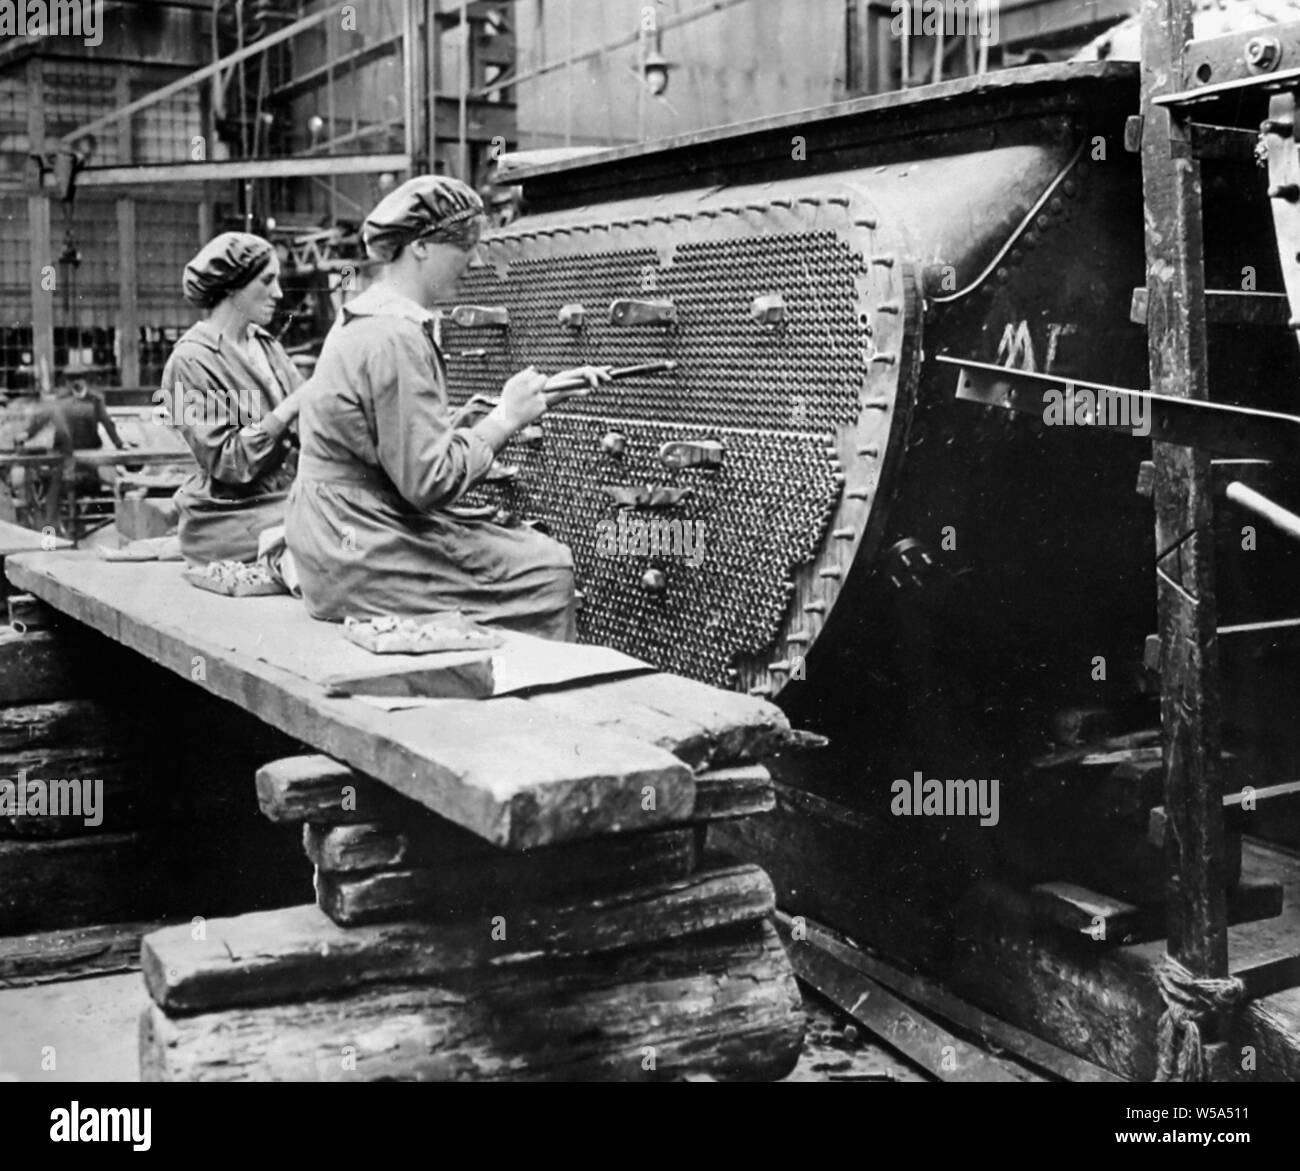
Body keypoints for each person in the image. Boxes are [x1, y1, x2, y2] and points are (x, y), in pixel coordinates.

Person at [287, 175, 601, 639]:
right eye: (465, 247)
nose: (474, 261)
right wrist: (505, 419)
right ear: (420, 248)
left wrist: (521, 401)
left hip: (329, 535)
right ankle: (519, 703)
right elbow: (429, 481)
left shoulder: (366, 315)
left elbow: (394, 439)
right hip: (359, 547)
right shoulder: (397, 336)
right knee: (548, 569)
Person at [164, 232, 304, 570]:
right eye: (267, 280)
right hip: (227, 517)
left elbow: (310, 420)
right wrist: (289, 408)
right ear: (232, 285)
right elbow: (229, 462)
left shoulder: (266, 345)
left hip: (278, 500)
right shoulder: (186, 363)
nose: (279, 293)